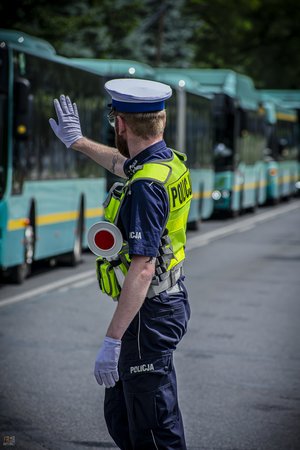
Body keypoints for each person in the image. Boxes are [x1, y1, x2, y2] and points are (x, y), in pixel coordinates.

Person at [49, 78, 192, 450]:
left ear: (121, 125)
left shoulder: (147, 185)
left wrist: (111, 341)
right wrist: (77, 142)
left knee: (152, 429)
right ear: (159, 121)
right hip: (163, 305)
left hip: (150, 312)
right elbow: (121, 163)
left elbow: (143, 268)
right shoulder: (167, 164)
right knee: (123, 415)